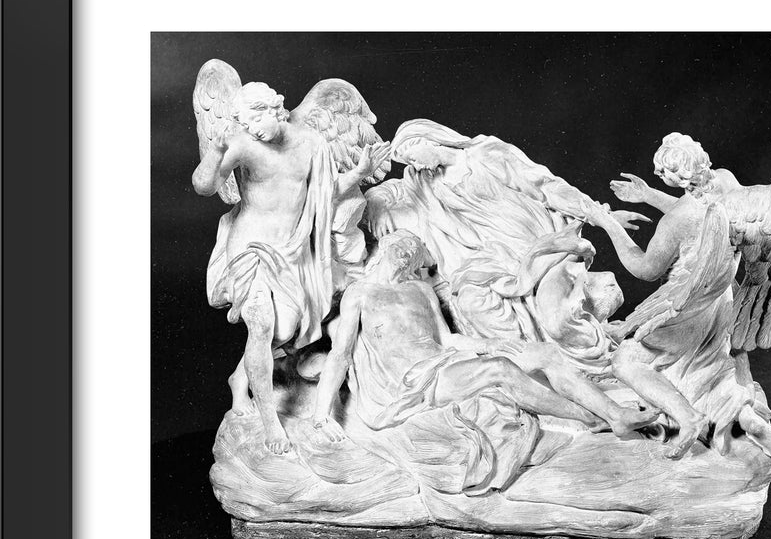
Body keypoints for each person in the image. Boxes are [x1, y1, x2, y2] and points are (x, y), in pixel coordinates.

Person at [307, 231, 655, 444]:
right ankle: (592, 418)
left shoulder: (420, 290)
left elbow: (447, 340)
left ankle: (613, 412)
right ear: (385, 248)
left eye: (412, 249)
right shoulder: (361, 293)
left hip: (444, 360)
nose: (406, 252)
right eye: (401, 245)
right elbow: (340, 354)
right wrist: (321, 415)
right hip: (412, 383)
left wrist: (489, 344)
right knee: (499, 369)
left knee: (544, 354)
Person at [363, 119, 650, 375]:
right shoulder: (424, 180)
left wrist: (600, 215)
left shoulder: (486, 154)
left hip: (540, 245)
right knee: (469, 299)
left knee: (557, 320)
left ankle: (591, 367)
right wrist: (376, 203)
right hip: (495, 256)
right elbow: (390, 191)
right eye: (407, 162)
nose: (413, 165)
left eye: (412, 156)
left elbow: (547, 187)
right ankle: (527, 362)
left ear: (430, 140)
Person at [193, 81, 379, 453]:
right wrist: (216, 151)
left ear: (274, 110)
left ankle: (239, 379)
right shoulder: (243, 143)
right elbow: (204, 185)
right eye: (245, 124)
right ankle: (271, 423)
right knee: (261, 324)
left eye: (256, 120)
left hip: (291, 249)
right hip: (250, 247)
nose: (252, 130)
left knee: (285, 330)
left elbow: (324, 194)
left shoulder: (311, 143)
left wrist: (359, 172)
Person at [586, 134, 771, 457]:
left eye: (662, 173)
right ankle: (748, 418)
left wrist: (609, 224)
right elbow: (706, 214)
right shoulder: (725, 181)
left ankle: (688, 418)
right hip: (723, 298)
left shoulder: (676, 221)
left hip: (686, 305)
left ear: (675, 177)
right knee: (704, 366)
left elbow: (645, 268)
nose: (659, 176)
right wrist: (647, 195)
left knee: (626, 362)